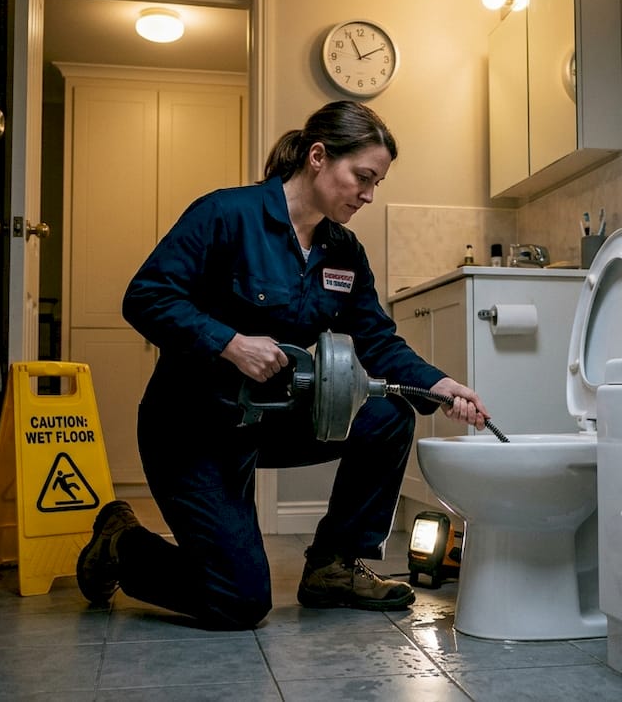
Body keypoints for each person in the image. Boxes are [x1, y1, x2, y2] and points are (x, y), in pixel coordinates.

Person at [76, 100, 490, 629]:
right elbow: (146, 296)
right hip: (192, 430)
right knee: (239, 602)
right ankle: (120, 543)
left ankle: (334, 566)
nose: (368, 194)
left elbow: (377, 341)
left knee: (389, 416)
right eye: (362, 177)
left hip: (266, 420)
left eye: (376, 183)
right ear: (318, 156)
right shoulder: (226, 215)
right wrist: (229, 343)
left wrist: (441, 385)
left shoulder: (343, 251)